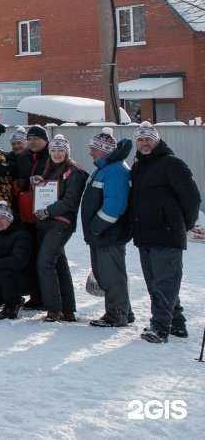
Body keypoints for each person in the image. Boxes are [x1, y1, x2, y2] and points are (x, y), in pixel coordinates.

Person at [127, 122, 201, 343]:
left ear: (157, 140)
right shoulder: (138, 167)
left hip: (167, 234)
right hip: (144, 235)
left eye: (149, 138)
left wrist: (182, 224)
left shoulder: (172, 164)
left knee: (165, 282)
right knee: (156, 283)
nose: (145, 143)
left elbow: (192, 198)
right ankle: (177, 324)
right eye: (140, 139)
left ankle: (159, 328)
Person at [81, 130, 135, 328]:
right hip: (103, 233)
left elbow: (115, 206)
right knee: (107, 274)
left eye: (93, 149)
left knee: (111, 275)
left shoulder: (115, 170)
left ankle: (117, 315)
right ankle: (124, 312)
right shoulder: (107, 168)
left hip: (109, 233)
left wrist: (96, 227)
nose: (90, 153)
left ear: (103, 150)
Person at [31, 135, 88, 322]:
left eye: (60, 150)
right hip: (47, 223)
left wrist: (47, 211)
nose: (56, 153)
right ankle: (68, 309)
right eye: (53, 150)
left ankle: (53, 309)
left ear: (67, 152)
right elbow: (45, 194)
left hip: (61, 223)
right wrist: (37, 183)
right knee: (59, 264)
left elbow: (70, 201)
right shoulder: (49, 169)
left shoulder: (74, 172)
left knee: (45, 263)